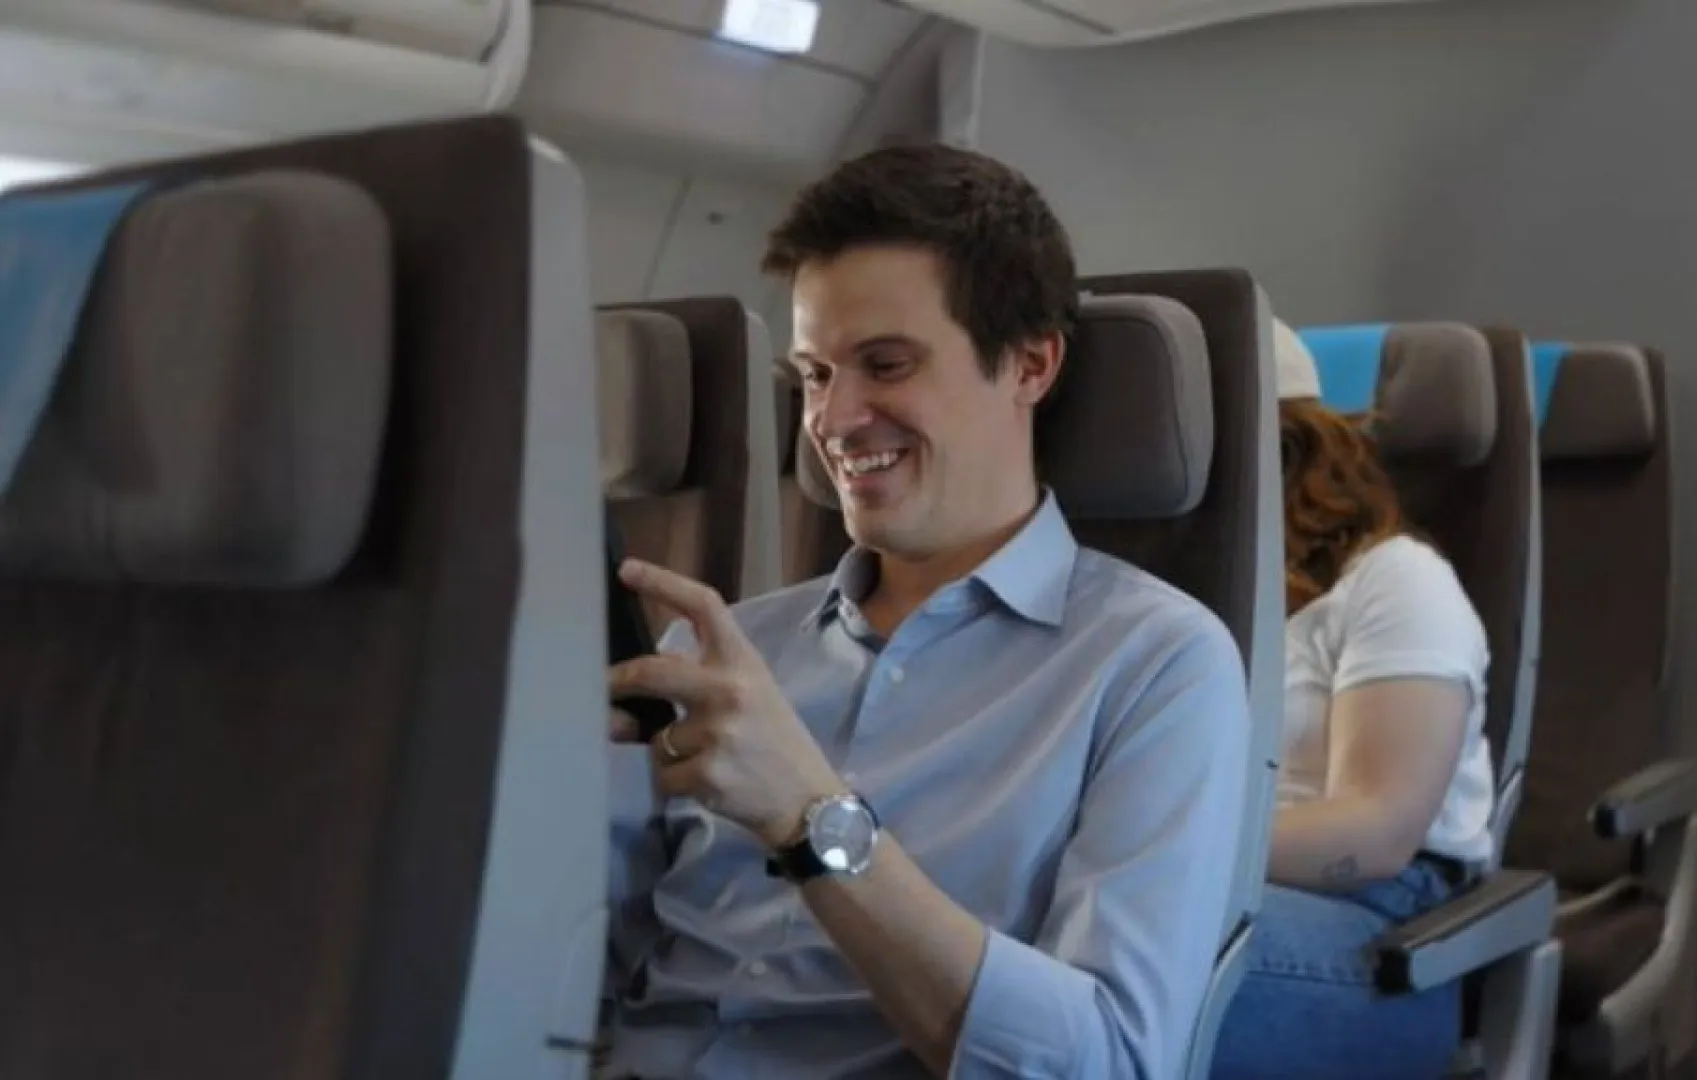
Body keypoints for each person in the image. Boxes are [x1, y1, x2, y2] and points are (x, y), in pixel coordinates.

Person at [599, 143, 1251, 1080]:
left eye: (887, 364)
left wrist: (811, 818)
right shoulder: (724, 650)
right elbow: (574, 967)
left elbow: (1109, 1061)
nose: (832, 421)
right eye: (815, 374)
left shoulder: (1157, 665)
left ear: (1030, 364)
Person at [1207, 322, 1495, 1080]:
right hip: (1215, 893)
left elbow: (1379, 828)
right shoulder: (1168, 600)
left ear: (1284, 449)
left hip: (1384, 936)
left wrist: (1163, 853)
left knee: (1129, 948)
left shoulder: (1394, 581)